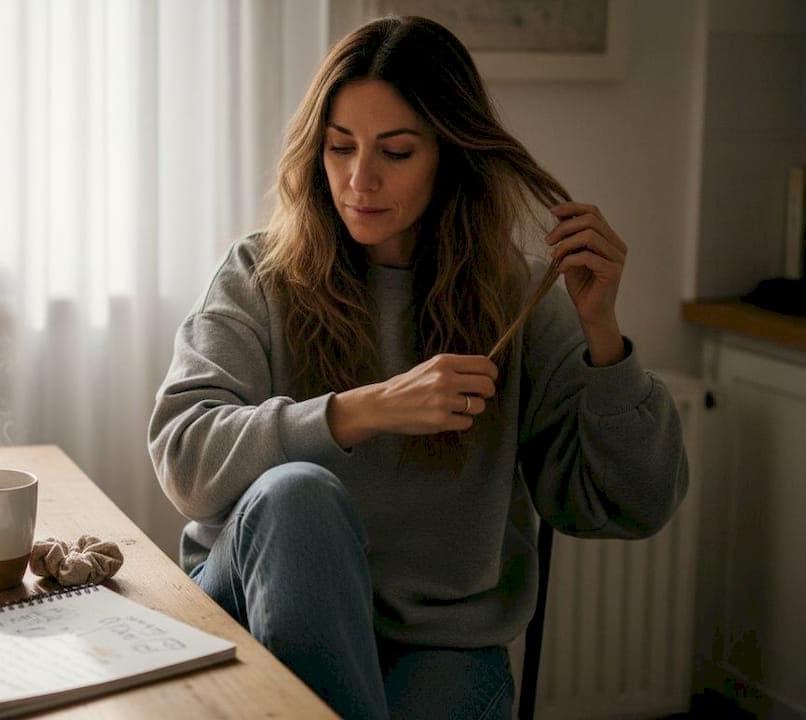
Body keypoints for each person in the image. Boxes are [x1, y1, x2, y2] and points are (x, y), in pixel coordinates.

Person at [148, 15, 688, 720]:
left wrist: (604, 335)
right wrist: (363, 410)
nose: (358, 178)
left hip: (440, 647)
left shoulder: (519, 302)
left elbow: (635, 504)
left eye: (395, 152)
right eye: (339, 148)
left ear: (450, 156)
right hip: (255, 617)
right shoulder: (260, 275)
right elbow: (185, 456)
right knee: (296, 495)